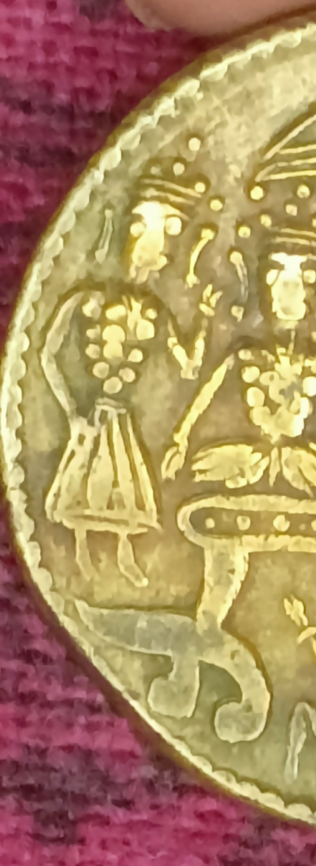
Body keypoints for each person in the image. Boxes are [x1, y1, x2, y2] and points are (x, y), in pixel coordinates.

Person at [42, 165, 220, 586]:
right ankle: (81, 553)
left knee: (124, 487)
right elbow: (48, 354)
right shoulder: (85, 298)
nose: (153, 247)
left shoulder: (156, 311)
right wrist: (72, 411)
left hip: (121, 417)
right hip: (92, 414)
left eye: (165, 234)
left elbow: (189, 365)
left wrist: (205, 319)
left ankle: (123, 555)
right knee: (85, 484)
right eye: (144, 228)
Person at [162, 228, 316, 494]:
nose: (289, 290)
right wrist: (180, 437)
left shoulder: (311, 360)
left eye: (299, 280)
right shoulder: (246, 353)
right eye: (280, 279)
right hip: (247, 460)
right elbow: (206, 391)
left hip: (301, 462)